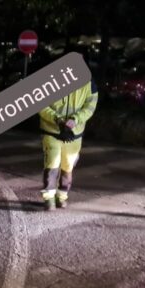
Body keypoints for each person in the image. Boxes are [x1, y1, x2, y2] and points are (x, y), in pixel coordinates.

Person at [37, 80, 98, 210]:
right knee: (52, 162)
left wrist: (75, 119)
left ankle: (62, 196)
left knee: (68, 165)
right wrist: (57, 119)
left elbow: (89, 107)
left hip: (74, 133)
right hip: (51, 130)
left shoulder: (89, 84)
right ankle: (49, 198)